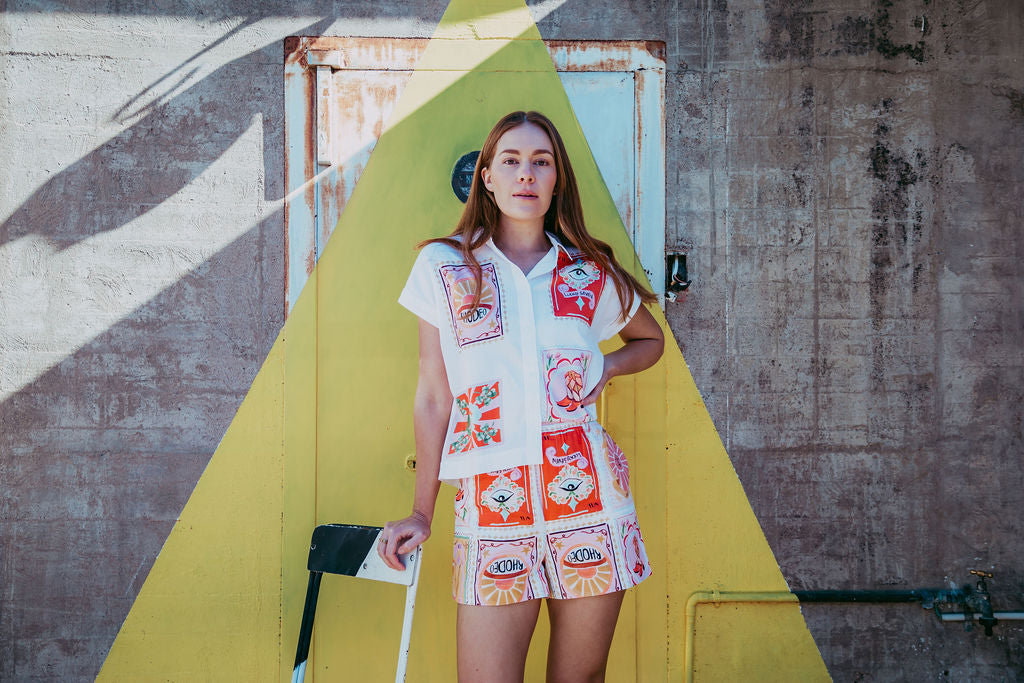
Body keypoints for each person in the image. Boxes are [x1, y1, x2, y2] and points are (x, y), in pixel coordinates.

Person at [378, 110, 664, 683]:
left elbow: (649, 340)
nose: (526, 174)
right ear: (486, 177)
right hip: (491, 503)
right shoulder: (444, 266)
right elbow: (434, 396)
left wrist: (606, 367)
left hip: (588, 499)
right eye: (510, 161)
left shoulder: (587, 271)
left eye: (541, 162)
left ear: (557, 178)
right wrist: (422, 511)